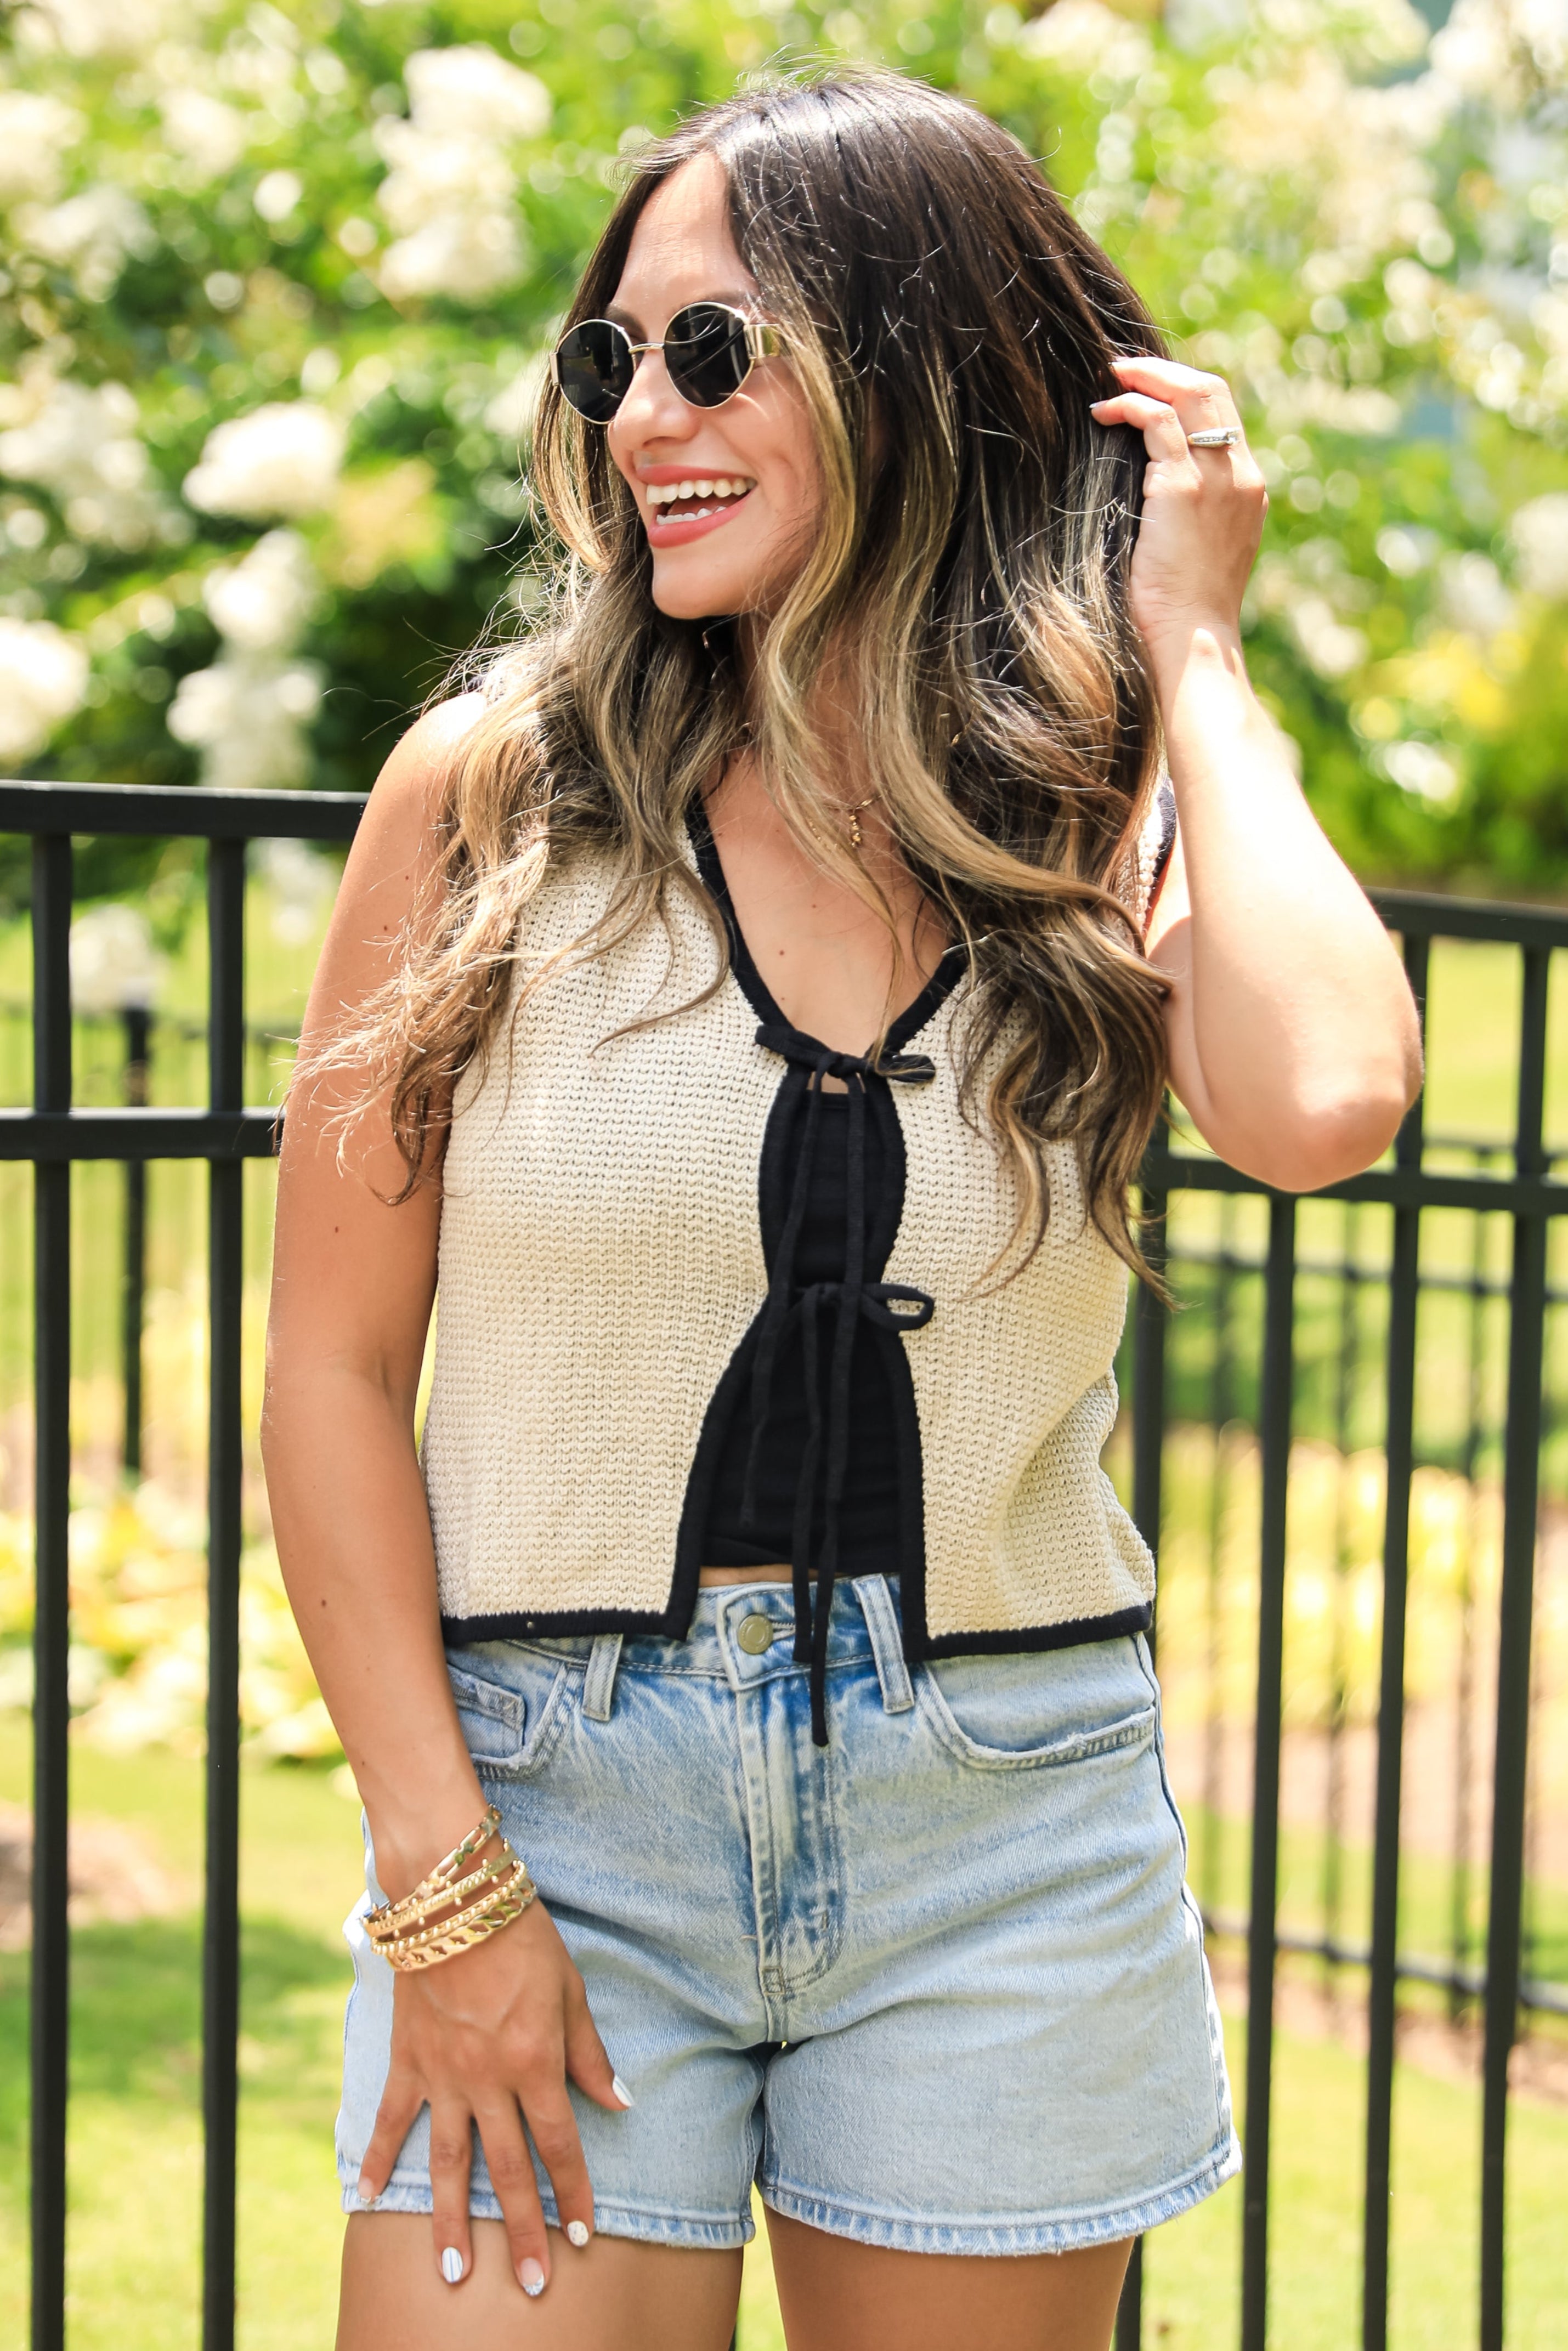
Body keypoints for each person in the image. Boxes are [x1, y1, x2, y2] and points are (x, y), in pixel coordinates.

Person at [263, 66, 1422, 2351]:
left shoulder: (1097, 801)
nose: (640, 418)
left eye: (714, 351)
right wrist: (444, 1884)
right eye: (610, 359)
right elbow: (327, 1366)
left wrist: (1192, 651)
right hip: (554, 1815)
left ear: (916, 372)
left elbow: (1323, 1101)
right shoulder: (496, 791)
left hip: (1001, 1834)